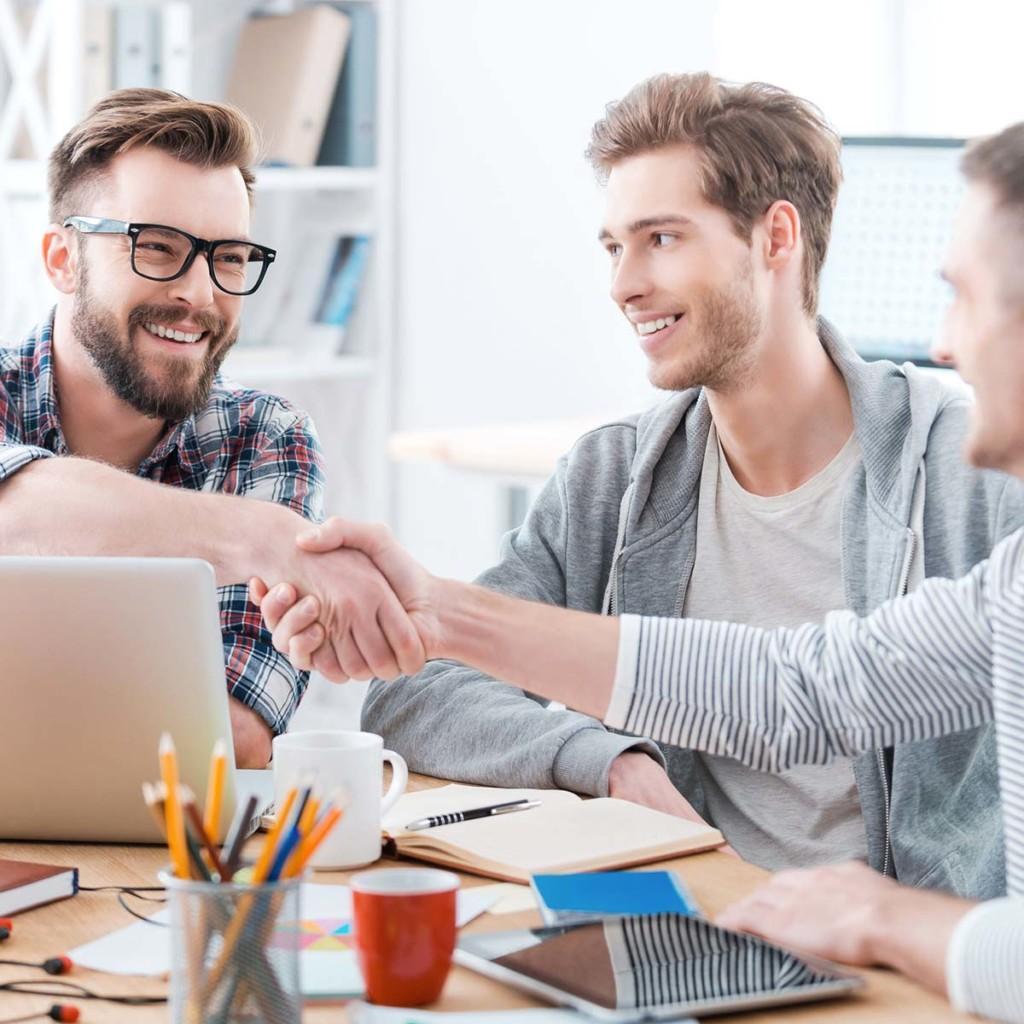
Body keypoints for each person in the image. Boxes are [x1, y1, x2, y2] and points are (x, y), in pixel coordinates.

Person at [258, 120, 1024, 1022]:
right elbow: (799, 692)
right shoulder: (618, 477)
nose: (624, 284)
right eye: (616, 245)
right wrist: (462, 638)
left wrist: (890, 918)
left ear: (776, 238)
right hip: (694, 941)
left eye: (661, 238)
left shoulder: (974, 496)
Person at [0, 88, 424, 768]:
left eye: (228, 258)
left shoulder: (266, 438)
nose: (199, 295)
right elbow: (12, 509)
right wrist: (262, 539)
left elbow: (235, 736)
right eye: (158, 248)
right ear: (60, 260)